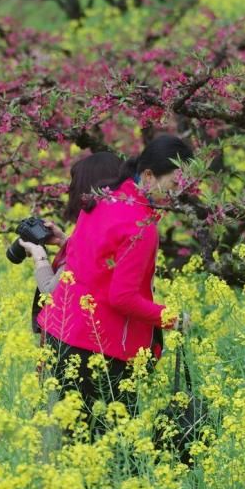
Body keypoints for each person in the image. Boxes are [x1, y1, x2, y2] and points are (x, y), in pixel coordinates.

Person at [35, 134, 194, 435]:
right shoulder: (140, 226)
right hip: (97, 348)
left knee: (77, 443)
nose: (178, 193)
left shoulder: (101, 196)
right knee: (116, 450)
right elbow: (122, 297)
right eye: (174, 184)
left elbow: (87, 257)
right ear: (149, 175)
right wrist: (173, 319)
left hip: (61, 334)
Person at [17, 151, 124, 305]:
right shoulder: (130, 223)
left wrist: (39, 256)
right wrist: (66, 241)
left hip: (92, 326)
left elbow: (52, 292)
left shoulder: (92, 232)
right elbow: (94, 261)